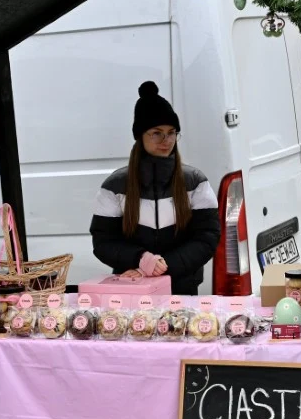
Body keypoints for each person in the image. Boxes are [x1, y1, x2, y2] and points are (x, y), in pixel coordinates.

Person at [90, 81, 221, 295]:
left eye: (171, 132)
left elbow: (207, 237)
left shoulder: (195, 181)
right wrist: (141, 259)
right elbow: (103, 242)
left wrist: (165, 265)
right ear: (140, 136)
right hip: (133, 288)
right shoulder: (114, 186)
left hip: (183, 288)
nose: (166, 140)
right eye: (156, 133)